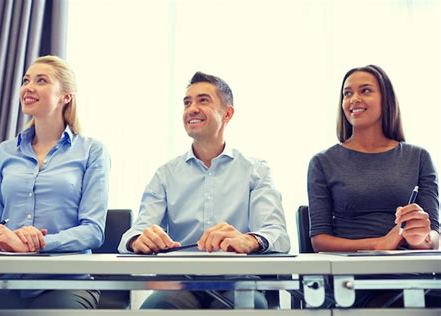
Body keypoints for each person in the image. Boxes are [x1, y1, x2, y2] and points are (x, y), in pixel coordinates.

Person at [119, 71, 290, 309]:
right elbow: (134, 233)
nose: (192, 108)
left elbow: (278, 235)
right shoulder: (165, 174)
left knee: (245, 308)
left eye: (203, 100)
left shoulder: (256, 170)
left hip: (238, 283)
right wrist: (138, 240)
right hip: (181, 285)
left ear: (227, 113)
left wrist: (249, 240)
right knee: (156, 310)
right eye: (187, 102)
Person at [0, 55, 110, 309]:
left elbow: (93, 230)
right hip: (5, 282)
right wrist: (3, 240)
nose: (28, 87)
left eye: (41, 81)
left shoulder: (92, 152)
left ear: (66, 96)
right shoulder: (2, 153)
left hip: (67, 283)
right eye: (26, 80)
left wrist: (38, 243)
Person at [307, 64, 439, 307]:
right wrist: (379, 245)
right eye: (347, 93)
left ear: (386, 99)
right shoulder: (323, 162)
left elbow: (433, 236)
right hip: (354, 281)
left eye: (365, 90)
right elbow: (319, 240)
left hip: (413, 277)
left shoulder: (418, 157)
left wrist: (420, 237)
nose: (354, 99)